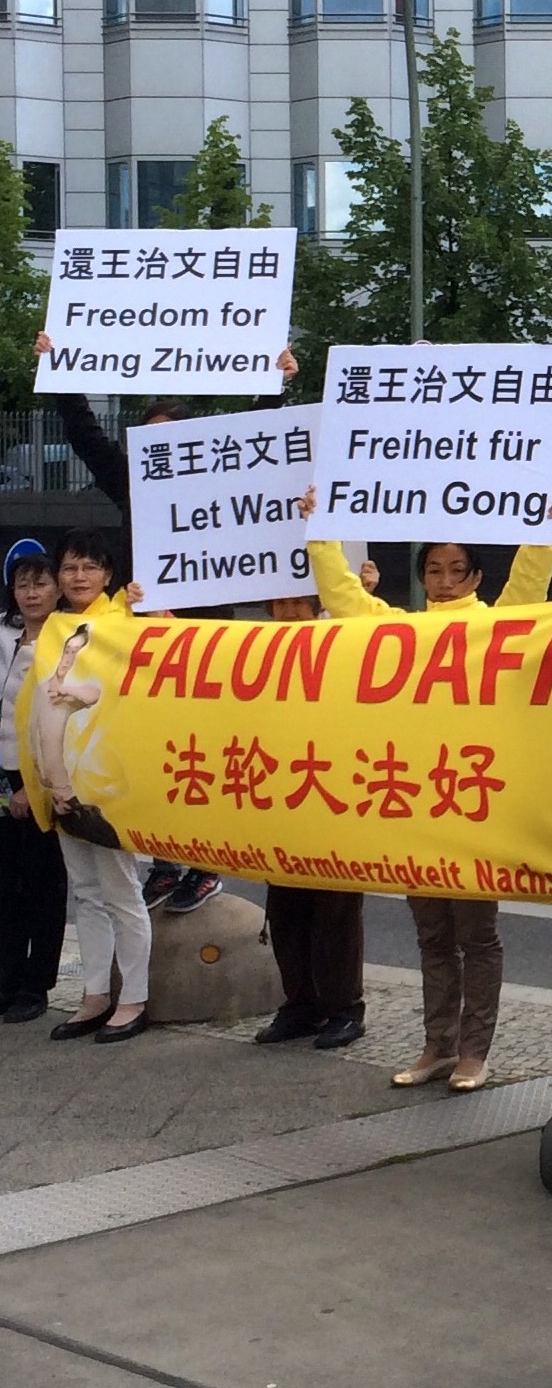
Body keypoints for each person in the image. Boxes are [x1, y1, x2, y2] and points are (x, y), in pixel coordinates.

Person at [303, 491, 552, 1092]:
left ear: (476, 577)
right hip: (417, 803)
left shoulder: (492, 625)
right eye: (434, 570)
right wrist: (320, 531)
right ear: (421, 576)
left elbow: (527, 589)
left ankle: (474, 1052)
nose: (444, 582)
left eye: (456, 571)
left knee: (478, 936)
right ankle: (437, 1046)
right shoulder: (403, 630)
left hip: (473, 805)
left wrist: (544, 532)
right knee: (432, 935)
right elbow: (344, 598)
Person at [33, 333, 298, 916]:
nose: (160, 446)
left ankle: (204, 866)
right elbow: (84, 435)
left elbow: (257, 435)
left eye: (172, 436)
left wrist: (275, 384)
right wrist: (59, 369)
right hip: (144, 638)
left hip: (202, 639)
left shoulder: (220, 481)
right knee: (153, 748)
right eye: (150, 436)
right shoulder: (131, 481)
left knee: (202, 747)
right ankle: (166, 862)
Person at [23, 531, 152, 1042]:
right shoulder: (56, 626)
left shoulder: (121, 621)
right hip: (58, 782)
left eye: (90, 567)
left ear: (108, 574)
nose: (79, 577)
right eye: (70, 568)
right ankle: (95, 994)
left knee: (122, 892)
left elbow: (111, 689)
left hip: (103, 780)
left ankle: (134, 997)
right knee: (87, 893)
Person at [250, 590, 370, 1052]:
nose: (289, 613)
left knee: (335, 910)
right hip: (281, 794)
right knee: (285, 908)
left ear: (317, 605)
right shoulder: (255, 652)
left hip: (334, 793)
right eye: (280, 604)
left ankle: (345, 1009)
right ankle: (300, 1005)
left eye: (299, 603)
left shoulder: (343, 644)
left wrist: (363, 592)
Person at [0, 542, 68, 1024]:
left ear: (56, 590)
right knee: (6, 884)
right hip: (2, 772)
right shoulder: (4, 634)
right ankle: (5, 978)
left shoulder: (68, 640)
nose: (30, 593)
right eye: (22, 584)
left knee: (43, 884)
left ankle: (35, 983)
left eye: (40, 583)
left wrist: (33, 785)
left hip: (42, 775)